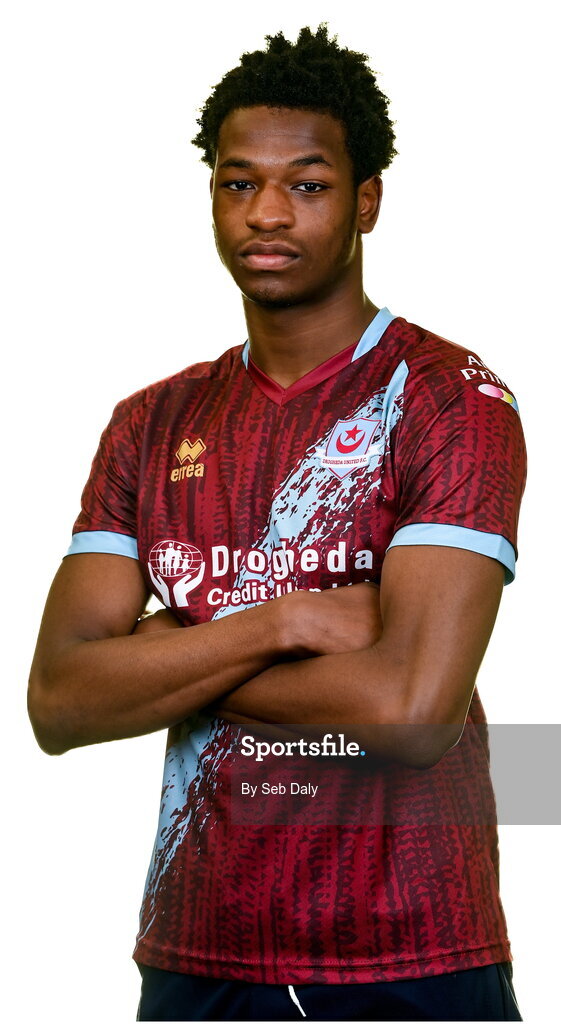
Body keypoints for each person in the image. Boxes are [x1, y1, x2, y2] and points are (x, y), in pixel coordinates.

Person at [27, 24, 526, 1023]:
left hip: (410, 951)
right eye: (236, 181)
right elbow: (59, 702)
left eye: (306, 184)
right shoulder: (150, 423)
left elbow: (412, 711)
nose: (266, 213)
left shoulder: (448, 398)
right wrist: (283, 621)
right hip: (197, 946)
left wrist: (177, 654)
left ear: (365, 201)